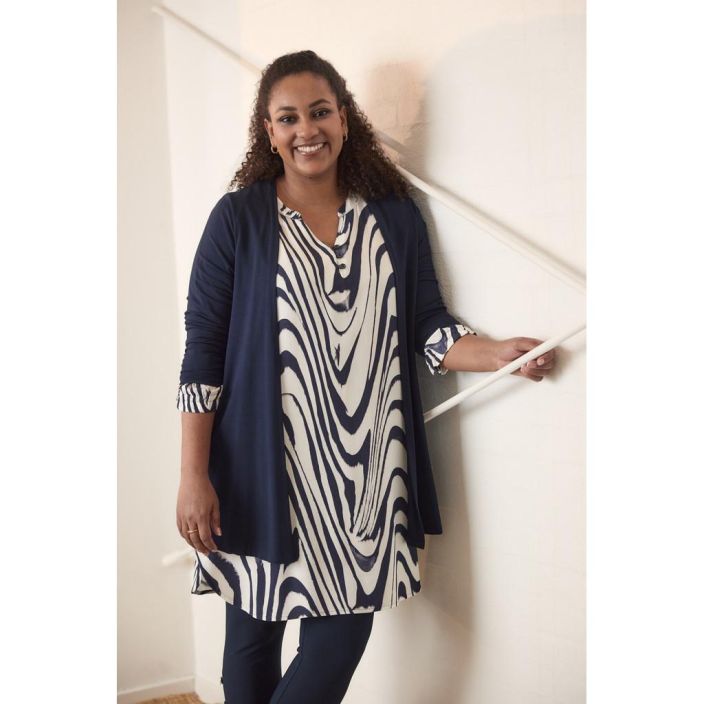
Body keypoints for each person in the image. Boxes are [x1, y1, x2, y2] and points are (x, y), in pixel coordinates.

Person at [175, 50, 556, 704]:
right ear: (269, 131)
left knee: (338, 641)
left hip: (369, 478)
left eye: (320, 111)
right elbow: (202, 355)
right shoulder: (238, 220)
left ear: (345, 118)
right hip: (260, 473)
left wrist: (498, 354)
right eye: (288, 117)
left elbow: (426, 324)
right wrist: (193, 476)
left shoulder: (393, 215)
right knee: (253, 637)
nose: (307, 129)